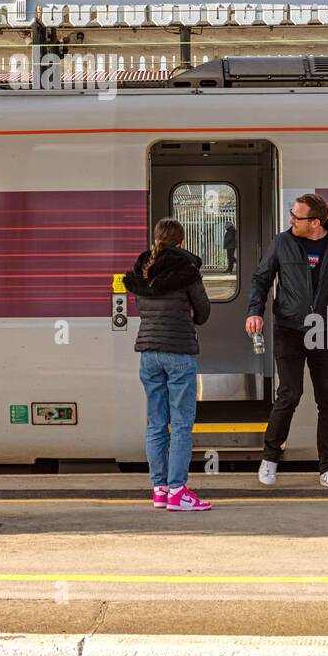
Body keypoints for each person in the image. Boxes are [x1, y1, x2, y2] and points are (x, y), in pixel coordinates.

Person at [245, 193, 328, 490]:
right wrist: (254, 311)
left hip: (323, 329)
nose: (290, 220)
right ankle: (269, 460)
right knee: (290, 394)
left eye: (296, 217)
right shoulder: (282, 243)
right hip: (288, 328)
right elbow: (261, 278)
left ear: (315, 222)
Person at [125, 217, 212, 512]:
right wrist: (187, 311)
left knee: (156, 423)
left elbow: (148, 310)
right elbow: (203, 312)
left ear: (156, 241)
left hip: (148, 354)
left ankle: (160, 489)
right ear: (182, 243)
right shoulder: (187, 273)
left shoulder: (143, 272)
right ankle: (178, 491)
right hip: (178, 352)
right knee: (183, 424)